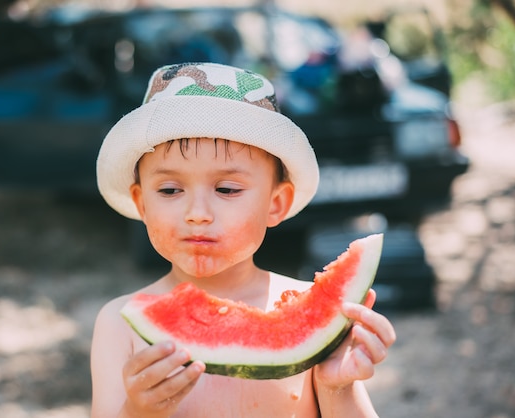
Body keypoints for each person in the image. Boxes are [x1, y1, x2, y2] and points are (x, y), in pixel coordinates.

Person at [91, 62, 396, 418]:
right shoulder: (119, 324)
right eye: (170, 189)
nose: (198, 212)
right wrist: (139, 411)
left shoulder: (316, 318)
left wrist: (337, 388)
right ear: (142, 203)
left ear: (275, 204)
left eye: (227, 189)